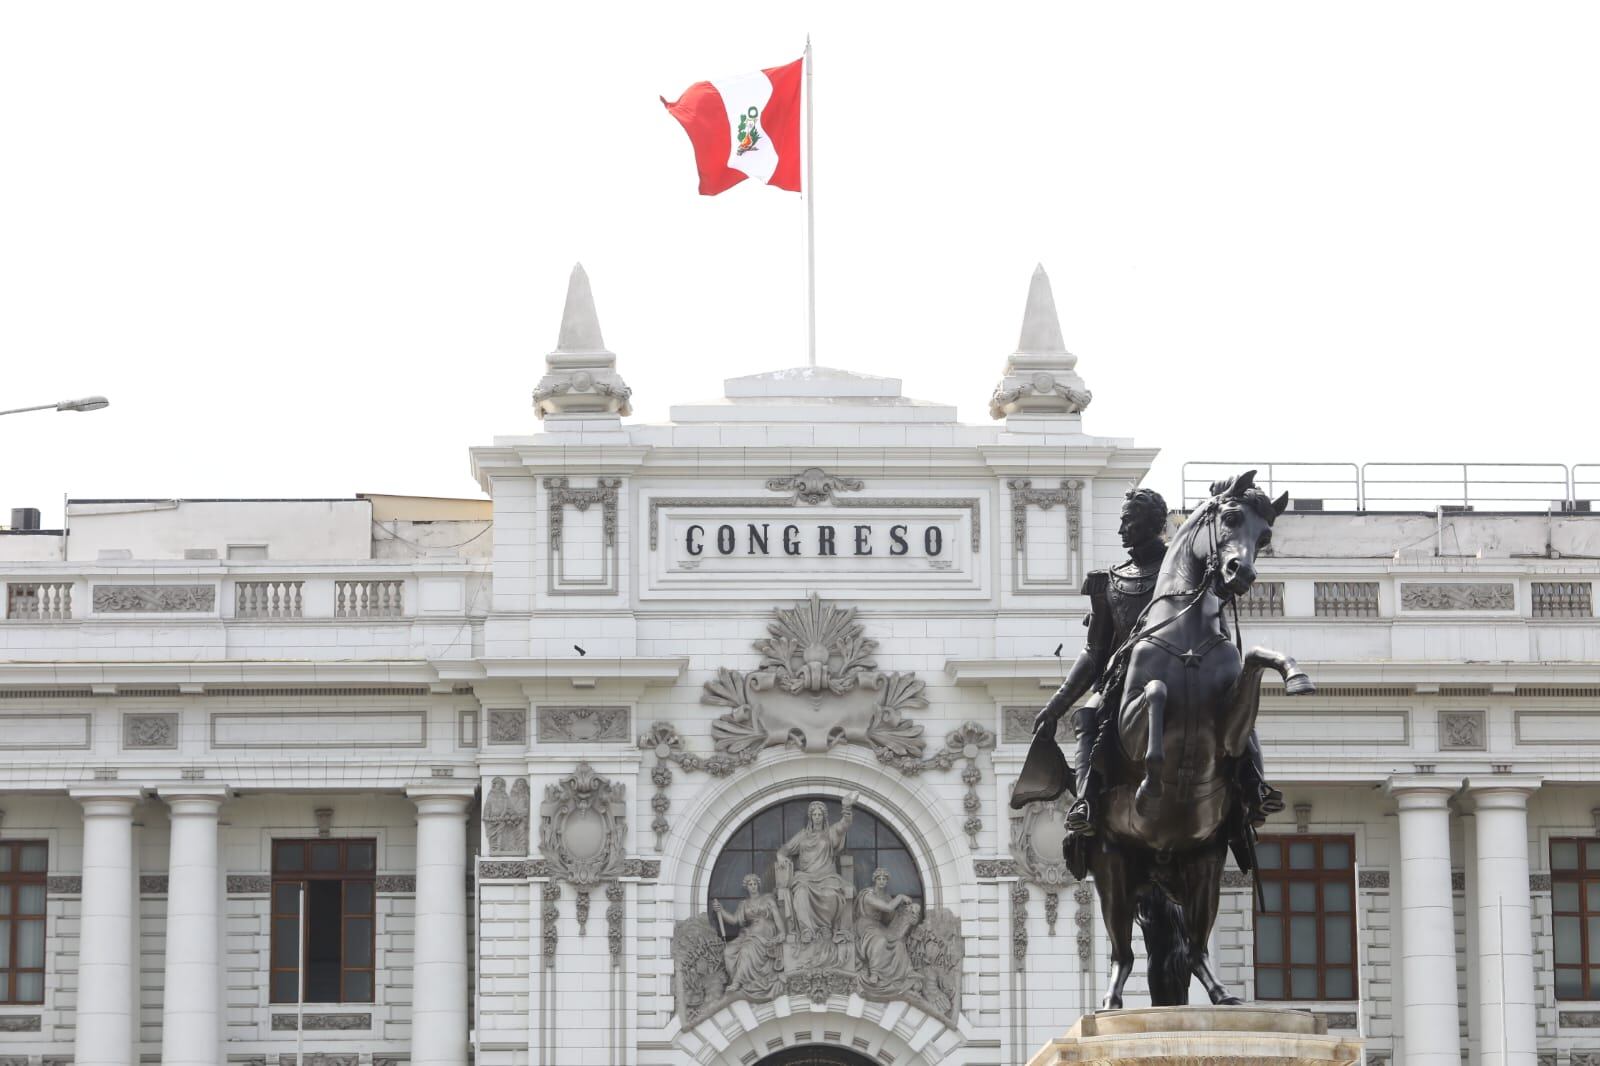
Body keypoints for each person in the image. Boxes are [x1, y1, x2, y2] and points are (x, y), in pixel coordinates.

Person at [1013, 488, 1283, 833]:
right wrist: (1056, 705)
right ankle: (1087, 801)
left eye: (1129, 521)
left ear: (1152, 523)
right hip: (1126, 681)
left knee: (1234, 704)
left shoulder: (1190, 566)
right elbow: (1094, 652)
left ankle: (1253, 784)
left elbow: (1217, 622)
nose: (1122, 530)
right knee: (1088, 714)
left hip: (1193, 668)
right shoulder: (1107, 582)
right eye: (1123, 521)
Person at [775, 794, 856, 968]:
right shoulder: (803, 835)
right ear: (810, 817)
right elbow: (785, 849)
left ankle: (826, 930)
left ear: (824, 817)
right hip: (805, 877)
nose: (817, 817)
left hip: (827, 877)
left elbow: (844, 825)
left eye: (820, 814)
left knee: (832, 895)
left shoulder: (830, 832)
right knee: (801, 893)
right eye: (814, 814)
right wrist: (780, 857)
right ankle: (807, 931)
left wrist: (847, 808)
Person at [714, 874, 786, 997]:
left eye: (755, 884)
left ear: (758, 885)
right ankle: (737, 978)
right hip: (750, 932)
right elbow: (734, 920)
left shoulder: (768, 898)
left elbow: (776, 916)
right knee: (729, 951)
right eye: (750, 884)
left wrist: (782, 932)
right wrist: (721, 910)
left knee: (747, 950)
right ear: (746, 887)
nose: (753, 886)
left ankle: (737, 982)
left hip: (765, 930)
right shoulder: (744, 904)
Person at [854, 867, 921, 996]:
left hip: (879, 926)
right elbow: (888, 908)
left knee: (898, 943)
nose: (882, 881)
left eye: (884, 879)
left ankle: (907, 973)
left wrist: (905, 912)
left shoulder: (886, 896)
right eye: (879, 878)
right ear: (875, 880)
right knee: (881, 940)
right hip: (866, 925)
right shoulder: (868, 895)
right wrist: (900, 897)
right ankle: (875, 973)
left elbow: (889, 917)